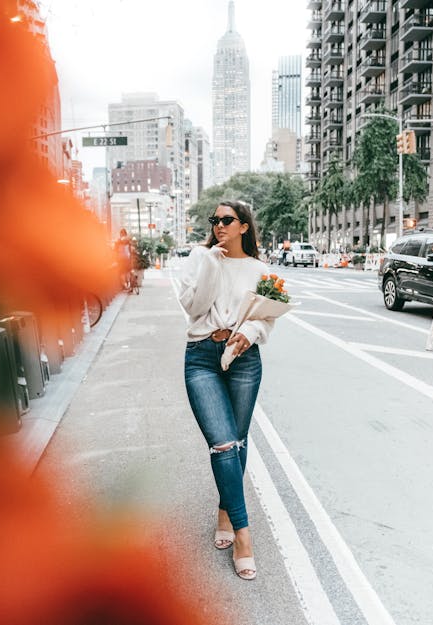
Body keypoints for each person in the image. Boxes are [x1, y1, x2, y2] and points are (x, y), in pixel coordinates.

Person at [178, 200, 274, 581]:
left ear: (244, 227)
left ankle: (224, 510)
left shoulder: (259, 269)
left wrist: (246, 336)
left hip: (243, 357)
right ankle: (243, 535)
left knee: (237, 439)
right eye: (215, 220)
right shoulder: (200, 258)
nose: (219, 225)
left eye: (227, 220)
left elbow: (267, 317)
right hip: (201, 356)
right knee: (221, 443)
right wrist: (209, 263)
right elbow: (194, 308)